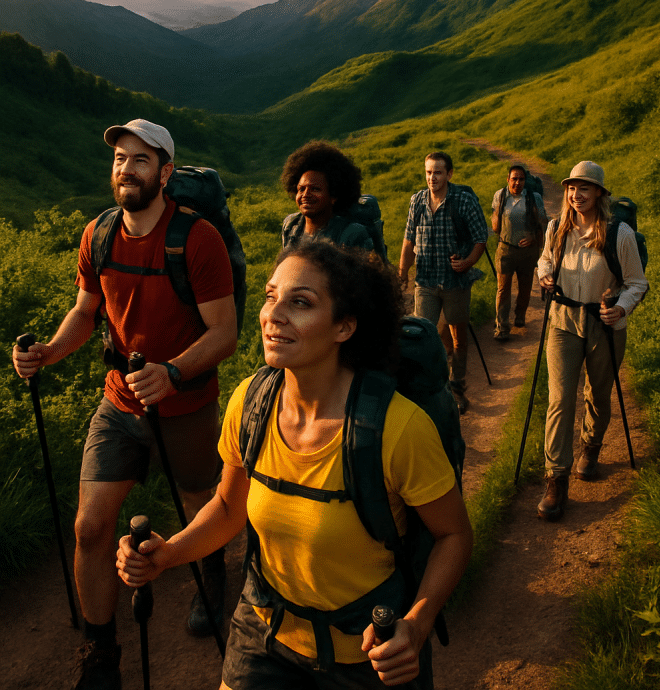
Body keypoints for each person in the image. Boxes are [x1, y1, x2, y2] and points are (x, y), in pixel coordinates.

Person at [117, 242, 473, 689]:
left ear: (344, 327)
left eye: (300, 302)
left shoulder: (397, 429)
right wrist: (168, 553)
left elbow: (453, 534)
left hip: (365, 651)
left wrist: (417, 625)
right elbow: (229, 508)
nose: (273, 315)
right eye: (270, 296)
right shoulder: (250, 401)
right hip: (263, 630)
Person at [12, 119, 237, 690]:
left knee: (197, 508)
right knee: (90, 529)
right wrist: (50, 353)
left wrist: (174, 372)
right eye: (119, 160)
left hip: (185, 401)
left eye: (140, 160)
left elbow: (224, 334)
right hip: (120, 403)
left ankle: (211, 581)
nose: (126, 170)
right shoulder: (100, 234)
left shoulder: (198, 239)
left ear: (165, 173)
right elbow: (87, 311)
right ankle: (101, 649)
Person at [536, 161, 648, 521]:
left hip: (604, 324)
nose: (575, 194)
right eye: (571, 188)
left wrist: (622, 309)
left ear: (599, 193)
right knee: (560, 398)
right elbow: (543, 261)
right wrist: (547, 276)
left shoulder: (620, 235)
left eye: (584, 188)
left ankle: (591, 446)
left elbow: (636, 283)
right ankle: (556, 478)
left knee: (598, 395)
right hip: (563, 321)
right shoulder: (556, 228)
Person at [398, 152, 488, 415]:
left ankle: (457, 387)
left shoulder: (462, 200)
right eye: (428, 172)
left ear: (449, 174)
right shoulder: (417, 200)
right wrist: (403, 272)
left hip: (455, 282)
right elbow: (408, 240)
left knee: (459, 338)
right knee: (421, 336)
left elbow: (480, 238)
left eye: (437, 172)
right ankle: (427, 389)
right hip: (425, 281)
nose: (432, 178)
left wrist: (468, 262)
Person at [280, 140, 373, 250]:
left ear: (334, 196)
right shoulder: (291, 225)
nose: (305, 194)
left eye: (315, 189)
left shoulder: (351, 234)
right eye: (301, 189)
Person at [491, 164, 547, 342]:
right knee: (503, 289)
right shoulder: (500, 196)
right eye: (514, 178)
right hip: (506, 248)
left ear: (525, 181)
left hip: (528, 252)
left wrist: (533, 238)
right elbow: (495, 226)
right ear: (508, 179)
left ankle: (520, 314)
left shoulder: (534, 197)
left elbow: (543, 223)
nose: (517, 182)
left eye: (521, 179)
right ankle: (502, 326)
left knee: (525, 287)